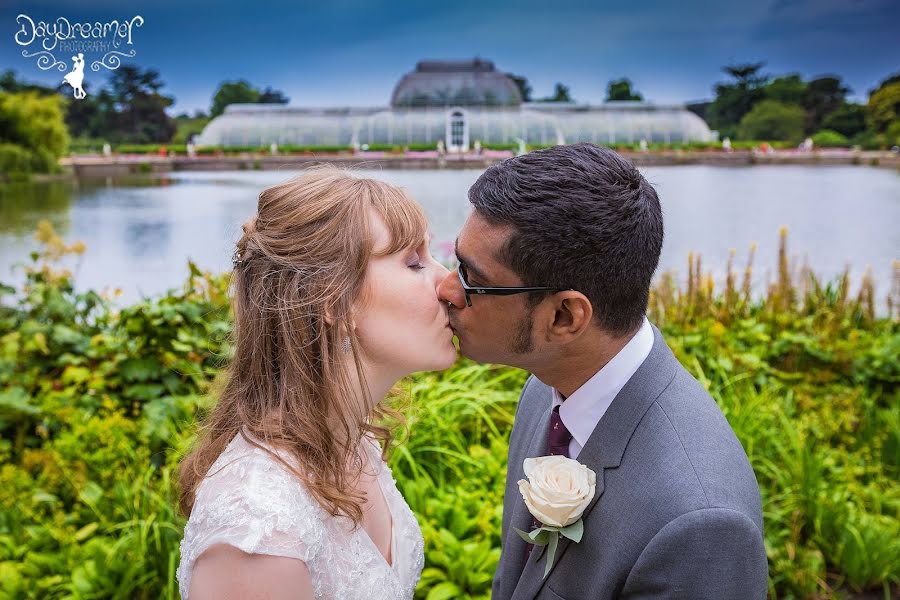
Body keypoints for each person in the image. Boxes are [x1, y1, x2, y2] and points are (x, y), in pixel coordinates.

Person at [437, 143, 768, 599]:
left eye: (473, 278)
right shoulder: (547, 388)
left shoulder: (699, 523)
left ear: (565, 317)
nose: (447, 289)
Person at [176, 166, 457, 599]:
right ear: (333, 300)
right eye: (415, 262)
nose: (450, 284)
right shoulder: (259, 527)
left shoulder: (349, 440)